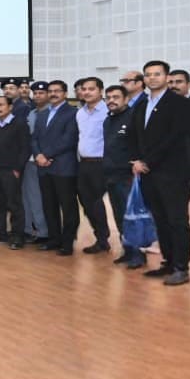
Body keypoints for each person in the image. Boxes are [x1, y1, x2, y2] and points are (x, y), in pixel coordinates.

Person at [129, 61, 190, 285]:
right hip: (148, 173)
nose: (152, 78)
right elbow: (134, 135)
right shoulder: (142, 105)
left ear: (166, 77)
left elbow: (175, 138)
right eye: (148, 75)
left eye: (157, 74)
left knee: (177, 221)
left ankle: (181, 268)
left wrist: (147, 161)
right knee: (160, 219)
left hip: (172, 174)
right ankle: (168, 262)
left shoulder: (179, 104)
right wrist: (136, 160)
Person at [31, 80, 80, 255]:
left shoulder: (73, 113)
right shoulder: (42, 114)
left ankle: (67, 243)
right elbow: (34, 138)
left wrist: (46, 155)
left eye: (57, 91)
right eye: (50, 91)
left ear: (65, 94)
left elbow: (69, 139)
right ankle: (54, 239)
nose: (53, 94)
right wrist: (38, 155)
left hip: (63, 167)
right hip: (43, 168)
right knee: (49, 206)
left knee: (68, 207)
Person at [102, 85, 146, 269]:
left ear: (126, 99)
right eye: (108, 97)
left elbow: (143, 143)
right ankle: (127, 250)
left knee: (131, 217)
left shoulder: (134, 118)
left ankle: (138, 254)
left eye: (116, 97)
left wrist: (139, 161)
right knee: (119, 215)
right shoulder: (108, 120)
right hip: (111, 175)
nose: (111, 101)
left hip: (127, 176)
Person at [0, 95, 30, 248]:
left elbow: (25, 148)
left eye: (1, 105)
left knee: (14, 204)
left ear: (10, 107)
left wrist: (17, 169)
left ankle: (17, 236)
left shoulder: (19, 124)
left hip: (10, 171)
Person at [73, 76, 111, 254]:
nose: (87, 92)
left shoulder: (108, 111)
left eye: (91, 89)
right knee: (86, 203)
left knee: (96, 202)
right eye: (84, 89)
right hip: (84, 164)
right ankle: (101, 238)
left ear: (100, 91)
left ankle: (107, 239)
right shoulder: (80, 113)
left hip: (102, 163)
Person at [20, 81, 50, 243]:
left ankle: (44, 231)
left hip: (47, 161)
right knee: (28, 197)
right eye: (36, 93)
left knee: (41, 198)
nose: (38, 96)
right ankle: (30, 230)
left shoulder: (52, 113)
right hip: (28, 161)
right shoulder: (31, 113)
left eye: (41, 93)